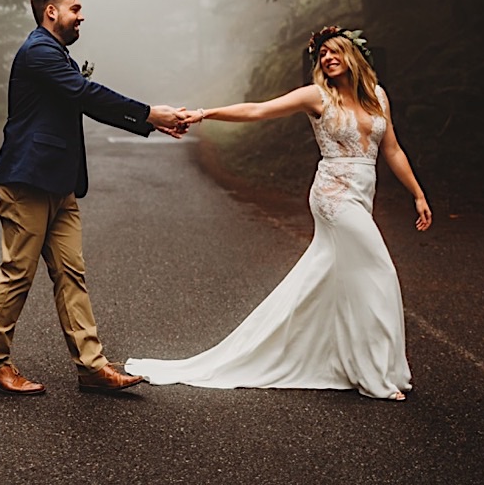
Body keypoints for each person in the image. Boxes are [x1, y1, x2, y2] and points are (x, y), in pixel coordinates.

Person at [125, 26, 432, 401]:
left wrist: (417, 194)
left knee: (341, 278)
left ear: (354, 55)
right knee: (378, 270)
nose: (327, 58)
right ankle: (375, 376)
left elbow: (393, 150)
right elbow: (258, 109)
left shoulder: (377, 97)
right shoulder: (317, 96)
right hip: (333, 196)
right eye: (322, 55)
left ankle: (361, 364)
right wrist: (205, 113)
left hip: (362, 193)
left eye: (335, 51)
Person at [0, 0, 191, 396]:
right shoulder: (39, 51)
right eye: (75, 8)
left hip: (59, 183)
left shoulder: (55, 54)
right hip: (27, 179)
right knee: (18, 273)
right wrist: (151, 114)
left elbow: (84, 101)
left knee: (72, 274)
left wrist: (149, 122)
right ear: (51, 12)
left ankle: (92, 367)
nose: (82, 15)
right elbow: (86, 94)